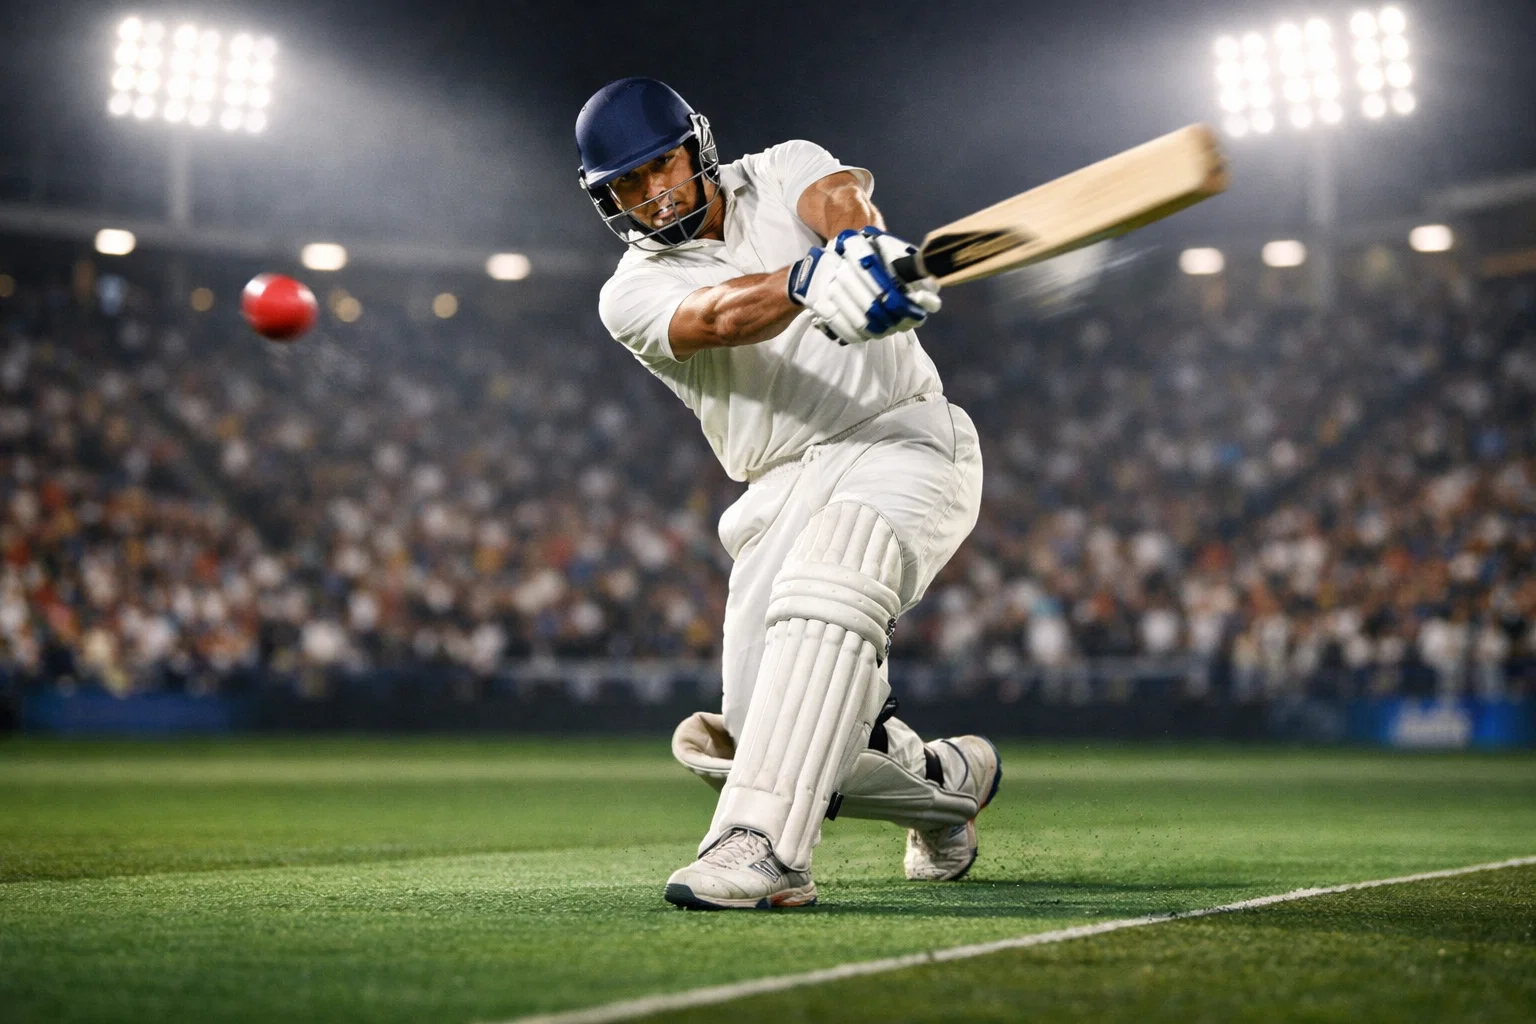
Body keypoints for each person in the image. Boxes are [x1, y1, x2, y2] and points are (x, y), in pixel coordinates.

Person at [578, 77, 1000, 910]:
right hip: (779, 489)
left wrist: (864, 250)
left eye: (661, 166)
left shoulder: (781, 169)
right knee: (760, 739)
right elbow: (721, 318)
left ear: (695, 147)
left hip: (902, 435)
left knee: (834, 582)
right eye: (628, 184)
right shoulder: (627, 292)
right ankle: (947, 787)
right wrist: (811, 279)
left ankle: (765, 851)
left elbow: (841, 198)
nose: (652, 194)